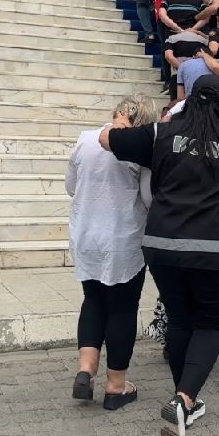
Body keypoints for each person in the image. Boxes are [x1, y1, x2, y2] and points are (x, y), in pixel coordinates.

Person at [100, 74, 219, 436]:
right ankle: (184, 398)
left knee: (180, 321)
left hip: (164, 243)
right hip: (217, 247)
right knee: (210, 325)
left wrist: (121, 121)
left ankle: (186, 402)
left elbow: (106, 139)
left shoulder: (160, 134)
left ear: (187, 101)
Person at [66, 94, 159, 411]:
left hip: (86, 233)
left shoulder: (85, 139)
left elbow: (71, 186)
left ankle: (85, 370)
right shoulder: (139, 149)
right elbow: (147, 198)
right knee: (122, 308)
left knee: (92, 299)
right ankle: (116, 386)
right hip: (122, 238)